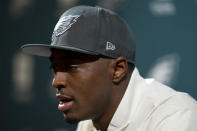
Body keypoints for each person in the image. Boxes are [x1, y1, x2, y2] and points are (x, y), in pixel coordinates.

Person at [21, 5, 197, 131]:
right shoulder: (90, 119)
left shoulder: (176, 118)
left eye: (72, 67)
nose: (56, 81)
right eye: (55, 67)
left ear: (118, 69)